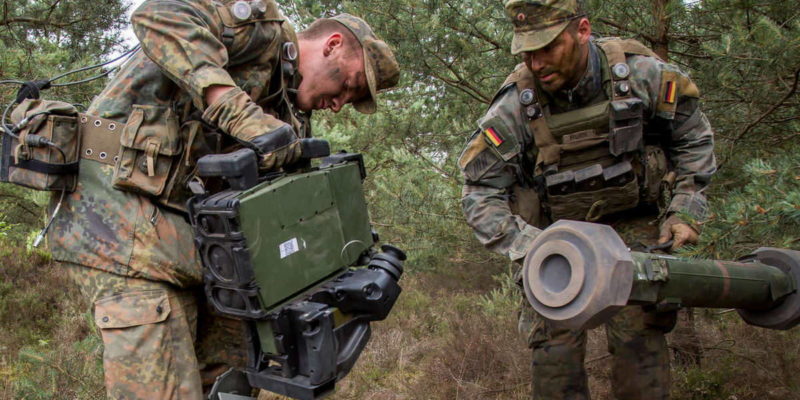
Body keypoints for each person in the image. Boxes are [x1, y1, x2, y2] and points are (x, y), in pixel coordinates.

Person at [45, 0, 399, 398]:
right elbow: (157, 14)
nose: (338, 104)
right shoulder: (260, 28)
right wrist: (236, 111)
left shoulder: (289, 116)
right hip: (119, 224)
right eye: (349, 85)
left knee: (234, 375)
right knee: (166, 387)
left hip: (194, 248)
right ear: (332, 45)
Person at [458, 0, 716, 398]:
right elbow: (479, 190)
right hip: (555, 235)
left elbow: (693, 138)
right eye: (527, 52)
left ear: (582, 31)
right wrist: (526, 245)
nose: (536, 63)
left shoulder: (644, 75)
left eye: (548, 47)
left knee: (640, 340)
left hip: (634, 224)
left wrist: (685, 209)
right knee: (554, 351)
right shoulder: (514, 107)